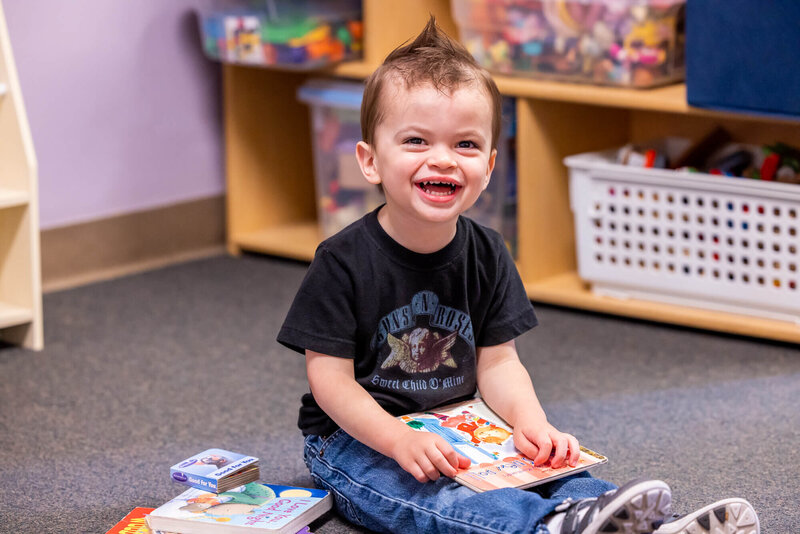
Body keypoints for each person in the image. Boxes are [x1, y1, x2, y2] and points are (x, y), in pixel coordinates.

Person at [278, 17, 760, 534]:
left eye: (464, 145)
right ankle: (547, 528)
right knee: (430, 495)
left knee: (555, 469)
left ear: (488, 168)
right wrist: (397, 439)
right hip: (355, 439)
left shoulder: (487, 251)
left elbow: (500, 363)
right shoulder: (342, 260)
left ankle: (628, 522)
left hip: (461, 420)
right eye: (416, 141)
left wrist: (531, 423)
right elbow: (329, 381)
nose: (442, 159)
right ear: (370, 162)